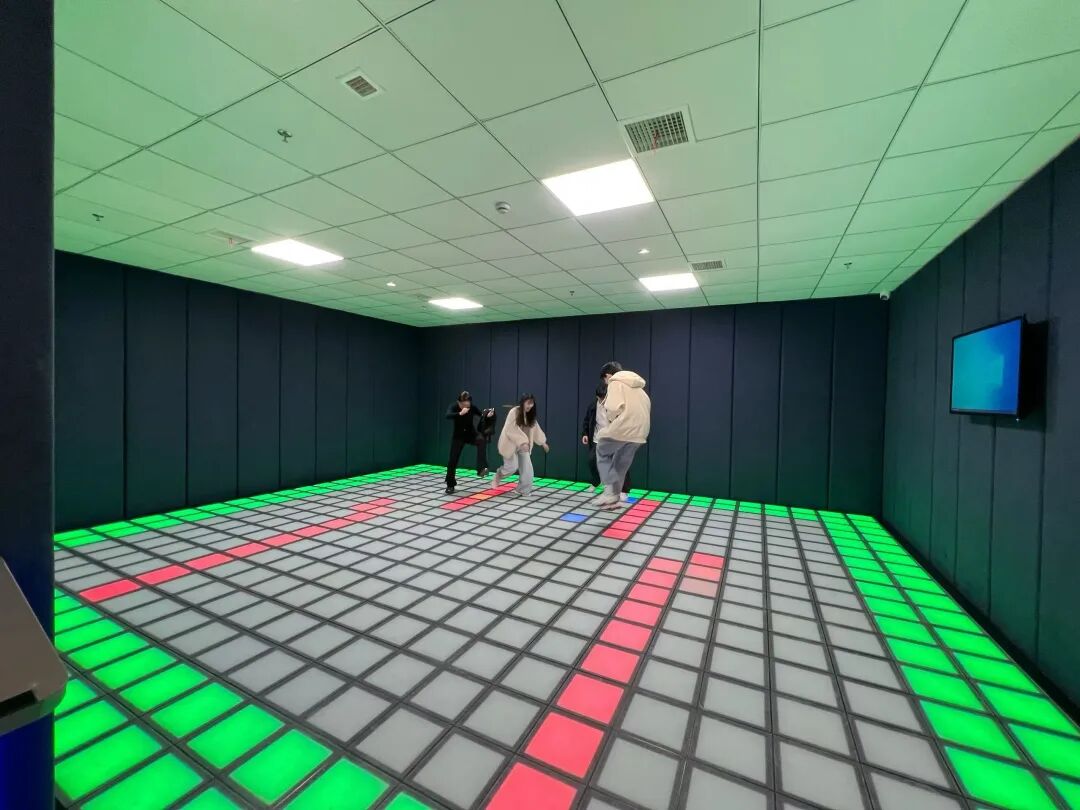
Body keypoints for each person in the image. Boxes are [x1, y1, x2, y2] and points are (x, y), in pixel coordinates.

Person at [594, 361, 650, 510]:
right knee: (620, 463)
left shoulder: (615, 382)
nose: (606, 383)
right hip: (641, 433)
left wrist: (611, 419)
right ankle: (614, 497)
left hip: (625, 427)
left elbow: (612, 407)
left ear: (607, 375)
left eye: (604, 380)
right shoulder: (639, 389)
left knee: (601, 449)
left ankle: (609, 491)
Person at [581, 382, 632, 497]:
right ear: (597, 397)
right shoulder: (593, 406)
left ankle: (624, 490)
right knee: (592, 460)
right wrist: (585, 434)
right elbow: (587, 421)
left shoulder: (617, 406)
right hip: (598, 439)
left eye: (605, 398)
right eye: (601, 399)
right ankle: (596, 481)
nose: (603, 401)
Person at [493, 393, 549, 496]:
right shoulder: (514, 412)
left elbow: (536, 430)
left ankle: (522, 489)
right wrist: (523, 441)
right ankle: (499, 474)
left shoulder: (531, 416)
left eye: (532, 403)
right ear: (523, 402)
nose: (530, 406)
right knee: (512, 467)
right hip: (510, 444)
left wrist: (543, 443)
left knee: (528, 469)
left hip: (523, 446)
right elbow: (510, 429)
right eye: (528, 403)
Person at [445, 391, 495, 495]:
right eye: (464, 403)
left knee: (481, 440)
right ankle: (450, 484)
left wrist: (488, 415)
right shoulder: (454, 406)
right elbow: (448, 415)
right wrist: (460, 413)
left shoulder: (471, 407)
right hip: (458, 436)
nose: (467, 405)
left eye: (468, 402)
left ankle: (481, 468)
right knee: (452, 460)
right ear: (459, 402)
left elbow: (481, 414)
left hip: (470, 434)